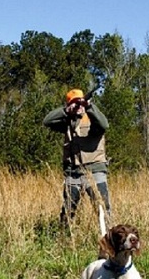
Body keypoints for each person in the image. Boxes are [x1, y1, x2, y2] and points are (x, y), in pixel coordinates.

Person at [43, 88, 111, 226]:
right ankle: (65, 240)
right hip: (72, 172)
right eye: (75, 103)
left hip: (95, 171)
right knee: (68, 210)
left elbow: (104, 124)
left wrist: (89, 107)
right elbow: (47, 121)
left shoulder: (93, 118)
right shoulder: (67, 122)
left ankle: (109, 241)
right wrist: (66, 111)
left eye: (80, 102)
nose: (79, 106)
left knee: (102, 210)